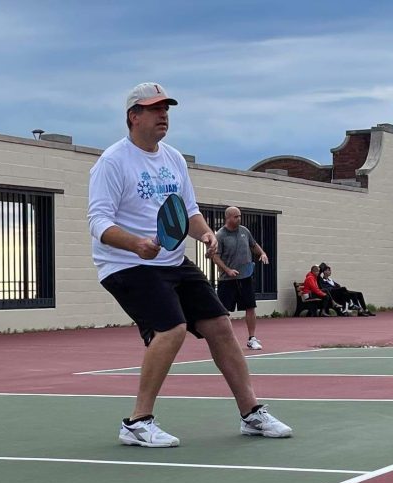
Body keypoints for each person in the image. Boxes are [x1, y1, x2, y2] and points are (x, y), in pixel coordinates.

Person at [87, 82, 292, 448]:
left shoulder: (174, 158)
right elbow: (98, 223)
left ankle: (251, 413)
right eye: (154, 109)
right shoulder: (112, 162)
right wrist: (137, 244)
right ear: (134, 116)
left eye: (166, 108)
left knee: (220, 325)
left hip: (171, 260)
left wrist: (204, 235)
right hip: (125, 263)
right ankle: (137, 422)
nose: (164, 115)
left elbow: (189, 213)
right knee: (172, 329)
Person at [211, 206, 269, 350]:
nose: (239, 218)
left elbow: (253, 245)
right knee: (223, 311)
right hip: (227, 280)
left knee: (250, 307)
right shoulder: (220, 235)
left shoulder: (245, 231)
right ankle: (222, 339)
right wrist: (228, 270)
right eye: (236, 216)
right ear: (228, 218)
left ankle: (252, 338)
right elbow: (215, 257)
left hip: (246, 277)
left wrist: (262, 253)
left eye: (240, 216)